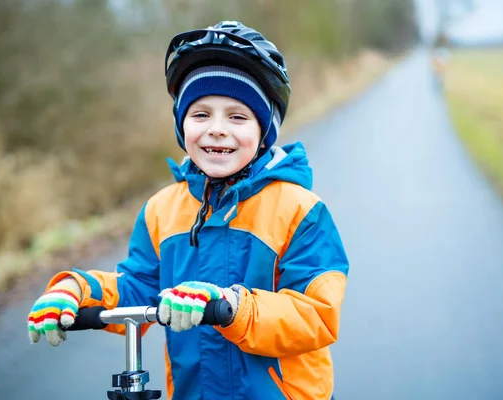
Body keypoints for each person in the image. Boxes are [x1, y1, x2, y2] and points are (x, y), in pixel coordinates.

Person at [27, 20, 349, 400]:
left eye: (237, 116)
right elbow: (138, 287)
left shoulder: (301, 212)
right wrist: (76, 290)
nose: (216, 129)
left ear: (264, 132)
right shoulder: (161, 210)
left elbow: (315, 314)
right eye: (200, 114)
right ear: (182, 126)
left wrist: (232, 307)